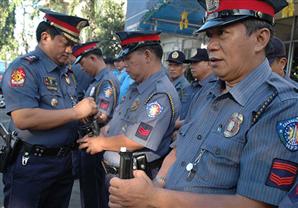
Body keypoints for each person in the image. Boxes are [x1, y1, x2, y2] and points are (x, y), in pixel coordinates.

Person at [108, 0, 298, 207]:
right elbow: (178, 149)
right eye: (210, 36)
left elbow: (254, 203)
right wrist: (156, 186)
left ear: (260, 39)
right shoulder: (208, 90)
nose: (211, 46)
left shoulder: (281, 104)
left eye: (223, 33)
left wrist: (154, 198)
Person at [1, 8, 98, 208]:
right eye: (66, 43)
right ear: (45, 37)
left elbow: (66, 111)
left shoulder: (66, 73)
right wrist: (76, 112)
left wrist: (85, 116)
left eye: (73, 44)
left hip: (64, 164)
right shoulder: (25, 68)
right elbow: (23, 118)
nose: (70, 50)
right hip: (33, 167)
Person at [78, 31, 181, 207]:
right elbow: (118, 119)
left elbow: (136, 140)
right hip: (114, 175)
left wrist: (101, 143)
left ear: (147, 55)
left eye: (128, 59)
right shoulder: (136, 87)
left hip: (134, 178)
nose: (124, 65)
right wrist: (106, 129)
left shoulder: (160, 94)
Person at [72, 41, 120, 208]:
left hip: (97, 145)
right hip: (89, 143)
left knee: (95, 195)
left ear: (92, 58)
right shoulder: (96, 81)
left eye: (83, 63)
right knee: (88, 192)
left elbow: (103, 115)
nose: (82, 68)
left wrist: (80, 113)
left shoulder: (107, 81)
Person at [167, 50, 191, 120]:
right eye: (170, 65)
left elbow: (182, 115)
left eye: (176, 65)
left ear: (184, 68)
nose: (172, 69)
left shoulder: (185, 88)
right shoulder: (167, 83)